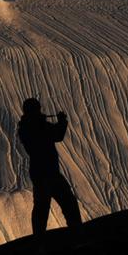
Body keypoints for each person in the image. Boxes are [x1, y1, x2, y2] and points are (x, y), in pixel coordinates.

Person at [17, 97, 82, 234]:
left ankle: (39, 239)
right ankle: (77, 233)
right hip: (48, 172)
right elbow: (57, 134)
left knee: (42, 207)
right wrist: (62, 121)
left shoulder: (26, 127)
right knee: (66, 203)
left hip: (40, 173)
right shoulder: (34, 127)